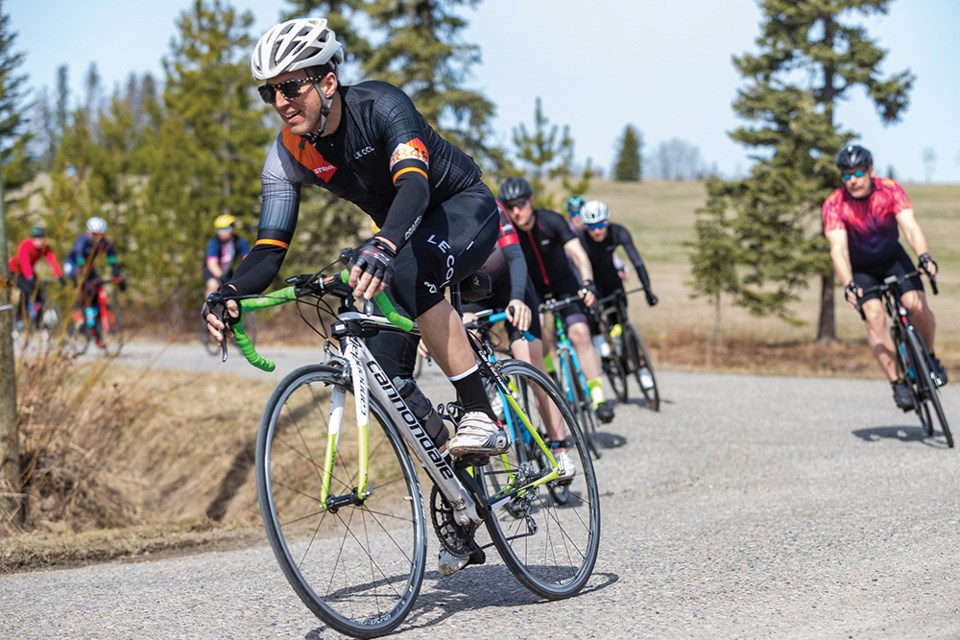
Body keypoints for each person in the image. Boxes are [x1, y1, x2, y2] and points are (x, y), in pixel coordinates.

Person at [203, 17, 505, 462]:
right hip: (402, 238)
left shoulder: (381, 106)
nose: (280, 103)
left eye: (291, 88)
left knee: (404, 270)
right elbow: (269, 249)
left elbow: (414, 188)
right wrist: (230, 292)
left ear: (328, 82)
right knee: (381, 369)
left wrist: (383, 244)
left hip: (463, 208)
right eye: (269, 92)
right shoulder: (287, 154)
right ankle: (455, 478)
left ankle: (481, 414)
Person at [823, 144, 946, 410]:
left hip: (893, 259)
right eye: (846, 175)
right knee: (875, 316)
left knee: (917, 305)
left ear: (870, 170)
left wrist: (924, 256)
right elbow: (838, 250)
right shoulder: (835, 204)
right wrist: (848, 285)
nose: (852, 180)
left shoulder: (889, 189)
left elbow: (910, 227)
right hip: (862, 269)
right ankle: (897, 383)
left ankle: (930, 357)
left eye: (857, 173)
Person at [461, 201, 576, 477]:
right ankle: (495, 396)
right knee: (464, 342)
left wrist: (517, 298)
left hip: (512, 286)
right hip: (471, 293)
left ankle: (559, 447)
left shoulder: (488, 206)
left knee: (530, 362)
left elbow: (515, 255)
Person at [498, 177, 615, 423]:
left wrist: (587, 282)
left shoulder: (551, 221)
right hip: (534, 291)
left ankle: (597, 397)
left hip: (565, 286)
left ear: (531, 201)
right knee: (539, 340)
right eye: (510, 207)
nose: (516, 211)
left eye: (520, 204)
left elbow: (578, 254)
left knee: (580, 334)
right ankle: (549, 375)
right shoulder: (510, 232)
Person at [65, 216, 124, 347]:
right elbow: (79, 257)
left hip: (89, 269)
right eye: (96, 235)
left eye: (101, 235)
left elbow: (112, 258)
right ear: (90, 233)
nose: (99, 238)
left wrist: (117, 275)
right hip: (73, 265)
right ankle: (78, 313)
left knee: (96, 291)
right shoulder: (83, 241)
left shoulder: (104, 243)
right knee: (82, 286)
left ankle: (96, 332)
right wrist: (81, 273)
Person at [9, 224, 65, 329]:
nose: (39, 241)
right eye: (36, 238)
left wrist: (59, 275)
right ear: (32, 238)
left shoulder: (45, 248)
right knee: (28, 290)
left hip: (29, 272)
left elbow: (52, 260)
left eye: (41, 238)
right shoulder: (25, 245)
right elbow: (24, 261)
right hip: (15, 271)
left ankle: (39, 321)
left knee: (40, 295)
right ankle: (19, 317)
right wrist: (29, 277)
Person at [204, 214, 250, 299]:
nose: (222, 233)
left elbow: (247, 259)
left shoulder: (240, 242)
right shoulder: (213, 243)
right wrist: (221, 276)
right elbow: (211, 263)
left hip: (227, 271)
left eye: (225, 229)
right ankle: (208, 308)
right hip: (213, 271)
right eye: (219, 229)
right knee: (213, 285)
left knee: (234, 290)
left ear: (232, 229)